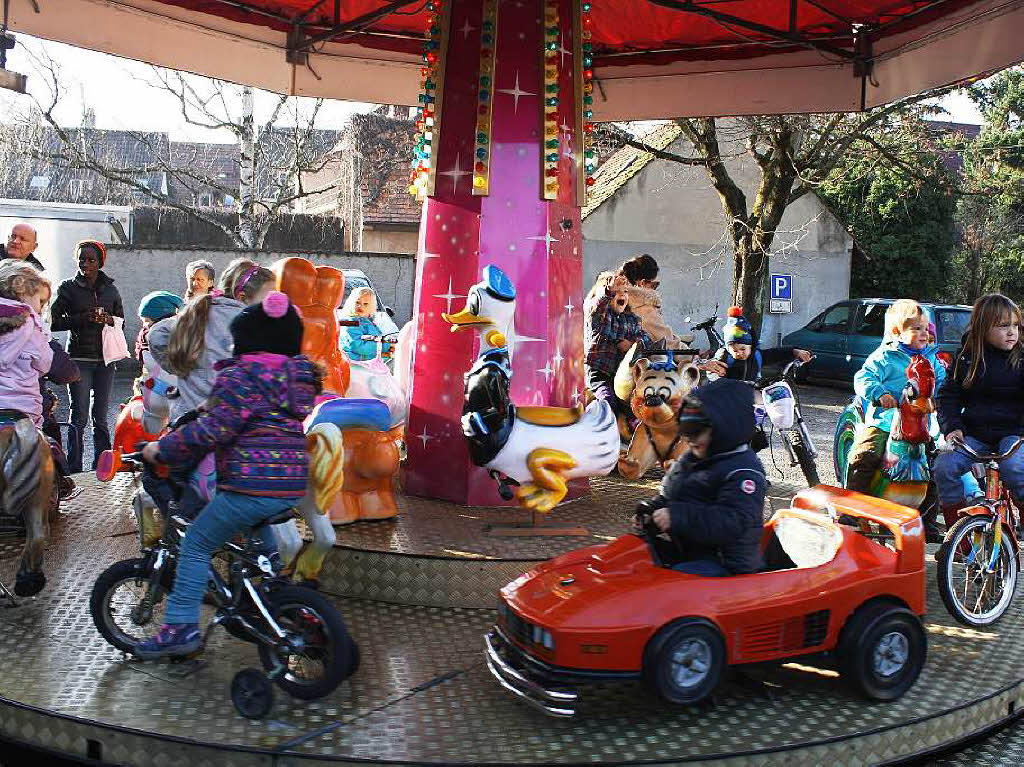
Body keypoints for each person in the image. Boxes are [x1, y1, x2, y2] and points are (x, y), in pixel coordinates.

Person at [133, 291, 321, 658]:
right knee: (264, 551)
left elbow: (212, 431)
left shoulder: (241, 376)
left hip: (247, 484)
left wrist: (164, 449)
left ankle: (180, 628)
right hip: (289, 485)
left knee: (196, 544)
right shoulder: (296, 375)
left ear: (247, 341)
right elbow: (261, 409)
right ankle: (286, 603)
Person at [633, 378, 766, 576]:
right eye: (685, 431)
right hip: (687, 549)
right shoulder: (693, 458)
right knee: (631, 561)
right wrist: (652, 510)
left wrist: (677, 516)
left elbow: (732, 522)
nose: (689, 440)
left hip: (724, 563)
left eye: (696, 432)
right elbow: (672, 495)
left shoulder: (744, 473)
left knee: (670, 588)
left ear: (725, 429)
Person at [935, 293, 1024, 521]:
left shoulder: (1021, 358)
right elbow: (948, 396)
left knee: (1013, 468)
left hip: (1014, 434)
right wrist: (952, 427)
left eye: (1016, 325)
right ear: (984, 328)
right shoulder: (968, 357)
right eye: (1004, 326)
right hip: (976, 434)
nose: (1012, 331)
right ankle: (959, 532)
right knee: (945, 466)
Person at [847, 299, 945, 497]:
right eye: (917, 328)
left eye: (926, 328)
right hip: (885, 420)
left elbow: (943, 382)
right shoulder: (885, 356)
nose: (924, 333)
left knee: (933, 465)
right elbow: (864, 377)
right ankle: (852, 508)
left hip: (921, 424)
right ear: (897, 332)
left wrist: (940, 399)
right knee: (864, 455)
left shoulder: (931, 358)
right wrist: (880, 394)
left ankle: (928, 521)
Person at [0, 261, 80, 492]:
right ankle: (59, 481)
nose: (41, 309)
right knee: (48, 445)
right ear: (21, 290)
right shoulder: (32, 325)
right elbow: (45, 364)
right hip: (22, 411)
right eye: (41, 302)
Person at [50, 240, 124, 473]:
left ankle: (101, 468)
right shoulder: (67, 288)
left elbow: (121, 322)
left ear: (100, 262)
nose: (85, 264)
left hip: (105, 360)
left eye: (91, 260)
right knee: (79, 415)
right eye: (81, 259)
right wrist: (83, 318)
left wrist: (109, 319)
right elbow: (53, 323)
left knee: (100, 417)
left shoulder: (111, 289)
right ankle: (74, 469)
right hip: (79, 359)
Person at [584, 271, 652, 419]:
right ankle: (598, 428)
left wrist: (632, 343)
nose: (622, 295)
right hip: (600, 372)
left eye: (625, 291)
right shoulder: (600, 315)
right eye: (616, 292)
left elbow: (645, 338)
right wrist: (607, 290)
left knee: (633, 406)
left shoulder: (631, 319)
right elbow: (598, 305)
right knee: (608, 402)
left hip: (622, 374)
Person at [708, 306, 811, 382]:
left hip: (750, 396)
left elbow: (776, 353)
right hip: (730, 399)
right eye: (734, 350)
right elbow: (713, 368)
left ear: (751, 346)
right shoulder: (724, 356)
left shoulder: (757, 356)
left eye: (743, 349)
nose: (739, 353)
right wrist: (715, 371)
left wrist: (795, 351)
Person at [619, 253, 683, 348]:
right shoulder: (644, 308)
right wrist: (695, 356)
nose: (655, 289)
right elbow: (667, 343)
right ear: (642, 283)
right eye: (654, 285)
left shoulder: (615, 300)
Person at [339, 286, 391, 361]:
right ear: (351, 303)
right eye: (357, 302)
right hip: (353, 365)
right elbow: (359, 346)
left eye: (365, 304)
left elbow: (375, 340)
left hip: (365, 363)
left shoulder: (368, 322)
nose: (360, 306)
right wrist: (385, 346)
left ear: (371, 306)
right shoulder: (350, 322)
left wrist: (386, 347)